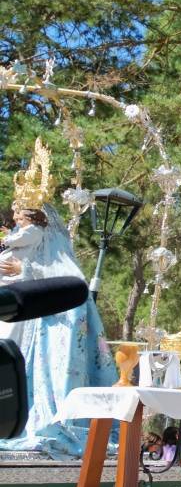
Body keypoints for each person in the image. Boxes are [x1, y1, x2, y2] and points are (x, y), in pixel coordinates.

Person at [0, 139, 118, 458]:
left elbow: (49, 273)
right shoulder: (21, 244)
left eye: (20, 216)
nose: (14, 219)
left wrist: (23, 270)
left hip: (39, 322)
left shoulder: (40, 244)